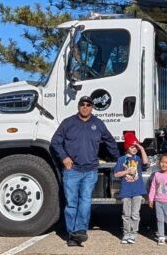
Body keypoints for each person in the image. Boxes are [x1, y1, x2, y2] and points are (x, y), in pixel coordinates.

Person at [50, 96, 120, 247]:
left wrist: (118, 160)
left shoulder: (98, 124)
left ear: (92, 108)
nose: (85, 107)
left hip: (90, 171)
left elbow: (110, 141)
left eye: (88, 105)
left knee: (85, 202)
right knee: (72, 204)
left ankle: (80, 231)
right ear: (78, 106)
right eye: (83, 104)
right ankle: (72, 234)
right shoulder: (68, 123)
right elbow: (55, 141)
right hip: (72, 171)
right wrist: (64, 157)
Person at [113, 132, 149, 244]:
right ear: (127, 147)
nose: (134, 149)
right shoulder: (121, 160)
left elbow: (146, 162)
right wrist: (127, 171)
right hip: (126, 190)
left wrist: (141, 148)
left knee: (135, 214)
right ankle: (126, 233)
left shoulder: (138, 158)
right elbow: (116, 174)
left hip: (137, 190)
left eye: (136, 147)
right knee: (126, 213)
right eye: (132, 147)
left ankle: (133, 234)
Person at [148, 153, 167, 246]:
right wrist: (151, 199)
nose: (164, 164)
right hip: (158, 201)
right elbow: (153, 187)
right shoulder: (156, 174)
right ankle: (161, 236)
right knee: (160, 219)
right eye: (162, 162)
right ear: (159, 163)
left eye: (166, 162)